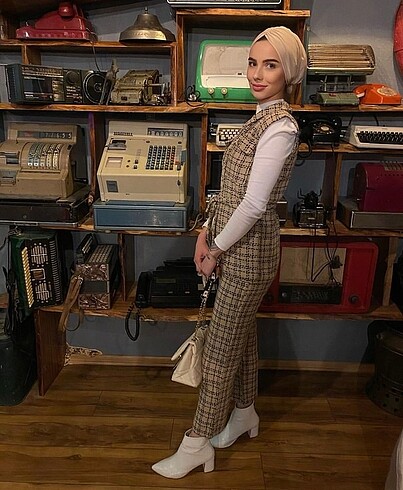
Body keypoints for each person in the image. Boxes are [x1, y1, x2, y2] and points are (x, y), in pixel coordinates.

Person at [152, 25, 307, 479]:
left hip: (250, 253)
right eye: (253, 63)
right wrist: (206, 232)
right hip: (232, 243)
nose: (257, 74)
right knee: (241, 335)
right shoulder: (259, 117)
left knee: (220, 349)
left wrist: (216, 249)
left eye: (270, 65)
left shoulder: (280, 128)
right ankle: (244, 413)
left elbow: (255, 205)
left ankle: (197, 442)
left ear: (288, 72)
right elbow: (232, 190)